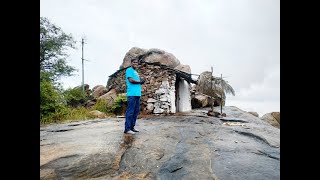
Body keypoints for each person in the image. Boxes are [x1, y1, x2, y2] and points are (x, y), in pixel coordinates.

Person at [124, 58, 145, 135]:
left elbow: (138, 81)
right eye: (134, 62)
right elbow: (131, 80)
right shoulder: (129, 70)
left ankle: (132, 127)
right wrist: (140, 81)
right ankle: (127, 129)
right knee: (130, 112)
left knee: (135, 112)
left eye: (137, 62)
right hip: (132, 94)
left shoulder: (136, 72)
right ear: (131, 63)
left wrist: (142, 80)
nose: (136, 63)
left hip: (137, 94)